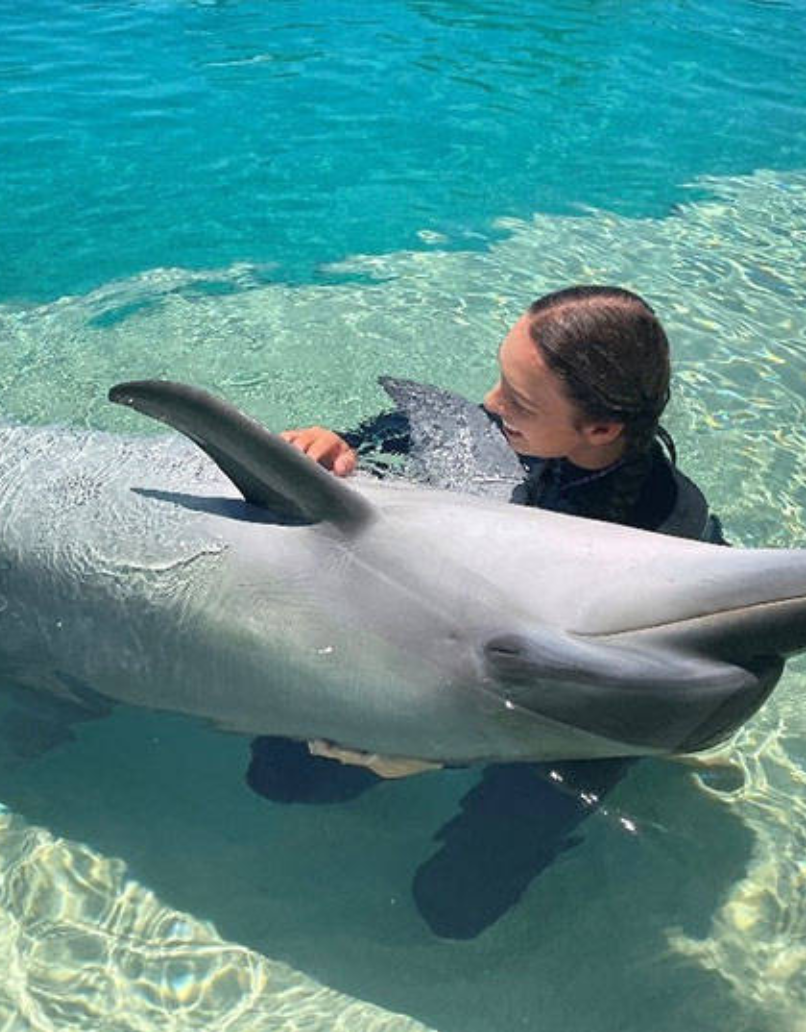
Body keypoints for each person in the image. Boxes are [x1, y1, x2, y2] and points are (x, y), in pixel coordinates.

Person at [245, 284, 725, 938]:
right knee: (278, 777)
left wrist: (435, 753)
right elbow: (373, 457)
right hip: (461, 660)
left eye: (519, 400)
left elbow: (621, 692)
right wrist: (337, 451)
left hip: (569, 719)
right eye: (499, 380)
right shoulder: (492, 432)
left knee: (454, 905)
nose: (490, 407)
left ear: (603, 429)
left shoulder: (669, 531)